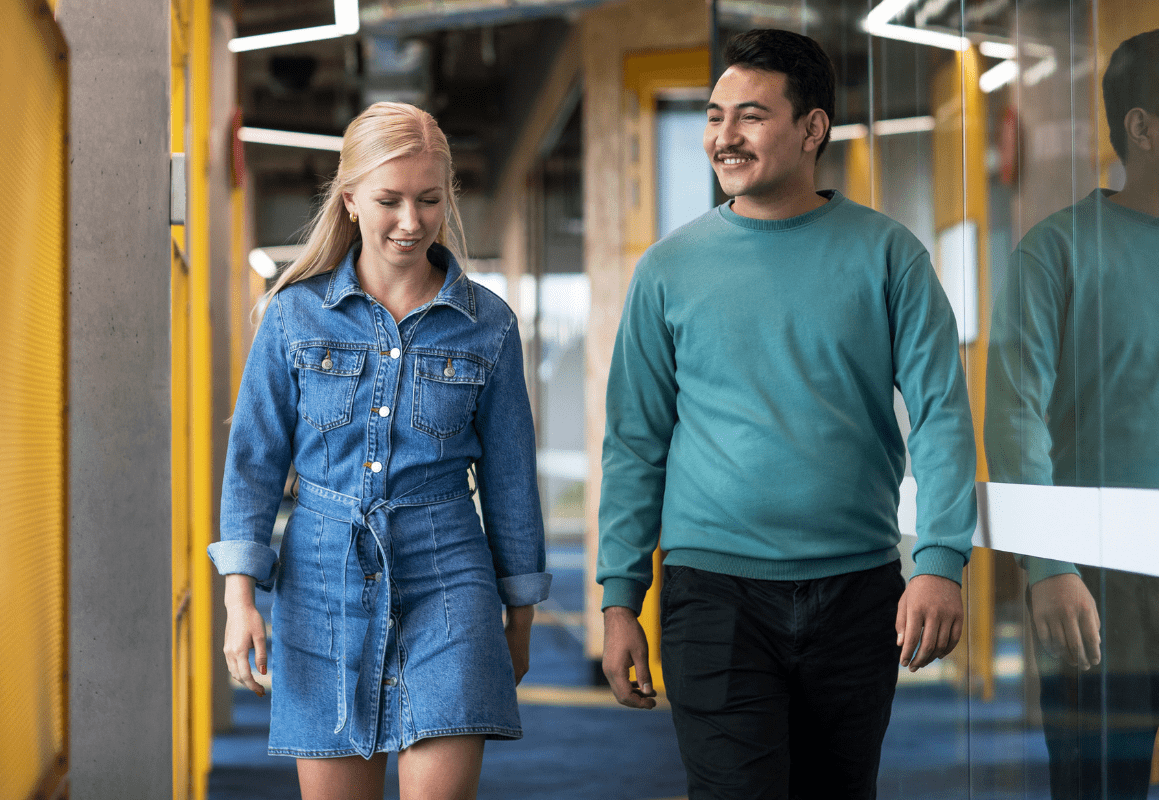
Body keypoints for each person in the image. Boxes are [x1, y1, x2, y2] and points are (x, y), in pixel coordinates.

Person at [597, 28, 977, 799]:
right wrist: (618, 598)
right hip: (713, 593)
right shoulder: (668, 270)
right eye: (713, 117)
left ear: (812, 128)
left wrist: (940, 560)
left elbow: (941, 413)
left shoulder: (890, 256)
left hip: (858, 590)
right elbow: (635, 443)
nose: (724, 137)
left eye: (750, 116)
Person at [208, 101, 550, 800]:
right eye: (389, 200)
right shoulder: (293, 316)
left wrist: (519, 617)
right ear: (351, 199)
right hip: (321, 580)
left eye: (429, 199)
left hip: (450, 578)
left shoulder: (489, 325)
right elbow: (253, 462)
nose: (411, 221)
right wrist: (239, 598)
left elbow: (512, 479)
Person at [985, 29, 1159, 800]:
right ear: (1143, 128)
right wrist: (1049, 564)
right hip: (1099, 573)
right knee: (1100, 786)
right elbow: (1014, 418)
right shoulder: (1055, 252)